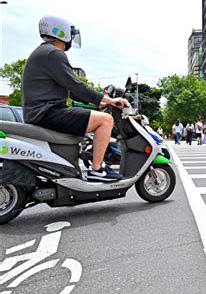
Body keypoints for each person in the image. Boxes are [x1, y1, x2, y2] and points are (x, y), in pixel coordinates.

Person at [21, 15, 129, 182]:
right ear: (61, 32)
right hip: (47, 113)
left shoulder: (43, 52)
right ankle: (97, 169)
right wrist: (109, 100)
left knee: (94, 117)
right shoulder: (53, 53)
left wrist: (98, 100)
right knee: (106, 120)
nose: (72, 38)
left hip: (41, 112)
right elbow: (75, 85)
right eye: (71, 34)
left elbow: (73, 92)